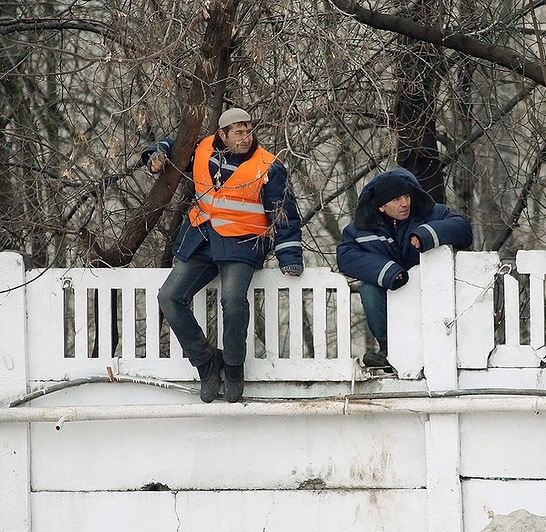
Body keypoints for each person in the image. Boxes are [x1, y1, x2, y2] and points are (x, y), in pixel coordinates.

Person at [143, 108, 304, 402]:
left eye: (248, 131)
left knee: (232, 299)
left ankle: (232, 366)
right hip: (202, 237)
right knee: (169, 297)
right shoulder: (203, 149)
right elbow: (172, 144)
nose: (245, 138)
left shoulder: (268, 166)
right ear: (223, 135)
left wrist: (289, 255)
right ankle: (206, 364)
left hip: (243, 242)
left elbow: (284, 213)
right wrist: (158, 154)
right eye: (239, 133)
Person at [336, 168, 473, 369]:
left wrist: (427, 234)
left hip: (430, 294)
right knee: (368, 289)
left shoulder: (431, 213)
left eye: (406, 196)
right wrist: (387, 271)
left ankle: (436, 350)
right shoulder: (360, 228)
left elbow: (463, 230)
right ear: (381, 207)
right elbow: (346, 256)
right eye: (396, 199)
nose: (405, 203)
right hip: (390, 293)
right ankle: (388, 351)